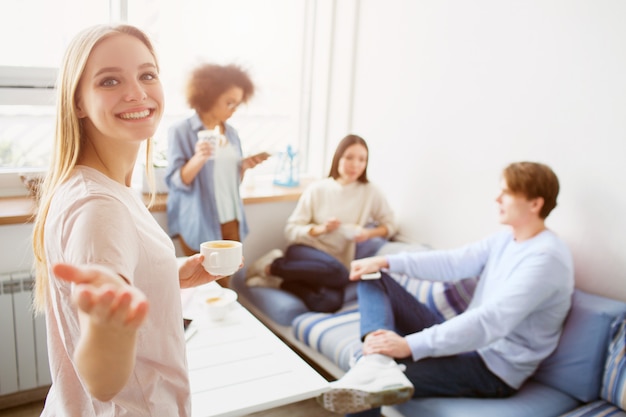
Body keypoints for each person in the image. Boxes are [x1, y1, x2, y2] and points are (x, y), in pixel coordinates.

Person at [31, 24, 235, 416]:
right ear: (77, 102)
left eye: (147, 75)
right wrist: (110, 331)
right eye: (109, 81)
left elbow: (118, 267)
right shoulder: (98, 206)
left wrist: (169, 275)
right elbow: (103, 383)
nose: (137, 92)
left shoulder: (98, 185)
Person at [316, 161, 575, 416]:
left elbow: (491, 321)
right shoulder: (507, 238)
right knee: (372, 275)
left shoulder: (546, 258)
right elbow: (453, 262)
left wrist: (408, 345)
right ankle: (375, 363)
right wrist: (386, 261)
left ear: (535, 203)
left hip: (491, 368)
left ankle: (373, 368)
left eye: (506, 192)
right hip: (465, 341)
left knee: (366, 384)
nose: (497, 198)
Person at [246, 134, 398, 313]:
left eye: (362, 159)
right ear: (338, 158)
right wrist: (321, 229)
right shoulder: (318, 189)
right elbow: (291, 230)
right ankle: (272, 266)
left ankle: (281, 280)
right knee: (341, 273)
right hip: (305, 252)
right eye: (349, 157)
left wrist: (367, 234)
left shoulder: (370, 192)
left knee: (329, 302)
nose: (355, 164)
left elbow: (390, 225)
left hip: (335, 261)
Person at [165, 63, 269, 288]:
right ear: (208, 96)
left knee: (225, 285)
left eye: (237, 104)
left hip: (231, 218)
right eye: (229, 102)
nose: (233, 110)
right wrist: (198, 159)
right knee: (201, 287)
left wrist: (243, 168)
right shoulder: (181, 131)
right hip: (199, 220)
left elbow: (228, 182)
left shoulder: (232, 133)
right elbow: (175, 182)